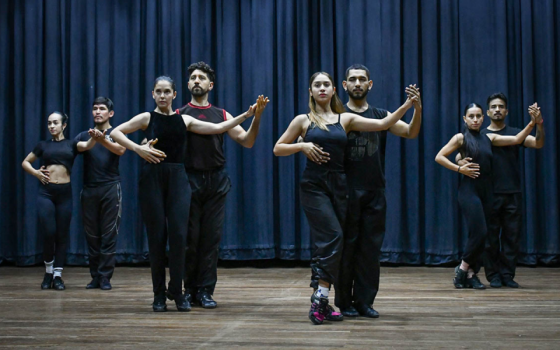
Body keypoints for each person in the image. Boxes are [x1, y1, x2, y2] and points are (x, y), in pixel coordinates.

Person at [110, 76, 265, 312]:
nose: (162, 96)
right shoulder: (146, 117)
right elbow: (116, 132)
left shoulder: (185, 119)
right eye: (158, 92)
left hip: (179, 179)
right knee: (157, 238)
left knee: (180, 237)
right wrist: (138, 149)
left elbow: (219, 128)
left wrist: (247, 115)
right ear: (153, 94)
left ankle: (178, 292)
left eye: (166, 92)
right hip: (153, 178)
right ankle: (159, 295)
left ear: (174, 94)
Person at [274, 71, 415, 325]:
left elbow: (384, 124)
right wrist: (301, 146)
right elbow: (278, 148)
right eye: (317, 85)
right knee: (334, 237)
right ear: (310, 91)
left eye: (326, 84)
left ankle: (326, 298)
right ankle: (321, 298)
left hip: (339, 186)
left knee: (334, 244)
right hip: (314, 186)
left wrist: (407, 105)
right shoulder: (302, 120)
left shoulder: (345, 119)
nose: (322, 88)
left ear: (334, 89)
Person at [175, 61, 269, 308]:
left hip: (216, 182)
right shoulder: (178, 114)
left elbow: (247, 141)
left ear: (210, 84)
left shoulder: (223, 114)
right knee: (190, 239)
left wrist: (256, 118)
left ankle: (205, 291)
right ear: (187, 84)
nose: (197, 81)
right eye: (193, 77)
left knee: (211, 239)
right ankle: (187, 290)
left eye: (201, 78)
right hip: (188, 180)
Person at [333, 64, 422, 318]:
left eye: (362, 79)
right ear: (345, 85)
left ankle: (364, 301)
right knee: (346, 249)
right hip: (346, 192)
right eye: (353, 79)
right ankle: (344, 302)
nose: (358, 83)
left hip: (374, 192)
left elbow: (410, 132)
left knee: (370, 250)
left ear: (370, 85)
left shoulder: (382, 114)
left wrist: (417, 108)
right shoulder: (336, 114)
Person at [435, 103, 539, 289]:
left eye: (478, 116)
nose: (475, 120)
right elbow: (439, 157)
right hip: (469, 191)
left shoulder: (488, 137)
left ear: (483, 118)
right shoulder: (460, 137)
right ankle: (463, 268)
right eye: (471, 116)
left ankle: (471, 274)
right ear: (464, 119)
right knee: (480, 232)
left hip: (487, 192)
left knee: (481, 237)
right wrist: (459, 168)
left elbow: (516, 139)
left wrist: (532, 123)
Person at [22, 112, 97, 290]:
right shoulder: (43, 145)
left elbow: (87, 145)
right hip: (46, 193)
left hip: (64, 194)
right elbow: (25, 162)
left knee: (62, 235)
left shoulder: (71, 144)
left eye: (55, 123)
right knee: (49, 232)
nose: (51, 126)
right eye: (49, 123)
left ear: (64, 125)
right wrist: (36, 173)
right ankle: (48, 272)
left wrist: (95, 137)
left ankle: (57, 276)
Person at [75, 97, 126, 291]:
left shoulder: (117, 133)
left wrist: (102, 139)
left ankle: (105, 277)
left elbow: (121, 149)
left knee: (108, 234)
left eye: (102, 109)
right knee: (92, 236)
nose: (97, 112)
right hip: (89, 190)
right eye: (95, 108)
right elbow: (74, 150)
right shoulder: (83, 135)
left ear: (110, 113)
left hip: (110, 188)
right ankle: (95, 276)